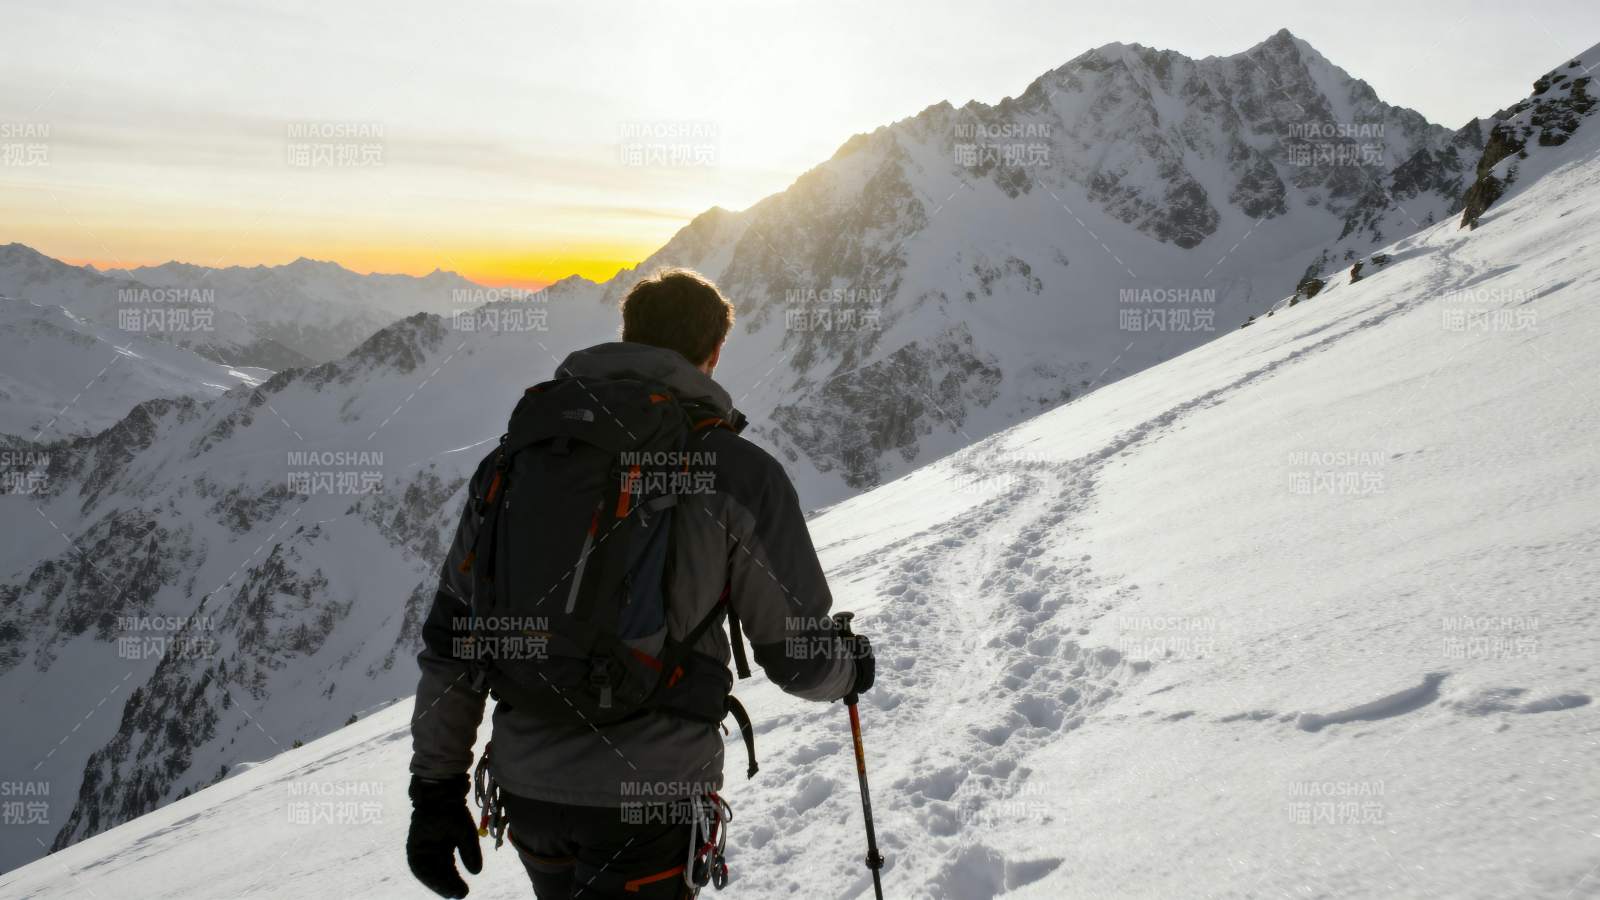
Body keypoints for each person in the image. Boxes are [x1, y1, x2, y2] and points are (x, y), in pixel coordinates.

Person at [405, 268, 876, 898]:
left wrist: (435, 790)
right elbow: (798, 660)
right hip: (653, 795)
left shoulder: (513, 461)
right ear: (714, 353)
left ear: (629, 335)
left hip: (528, 787)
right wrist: (851, 669)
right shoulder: (736, 471)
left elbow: (454, 638)